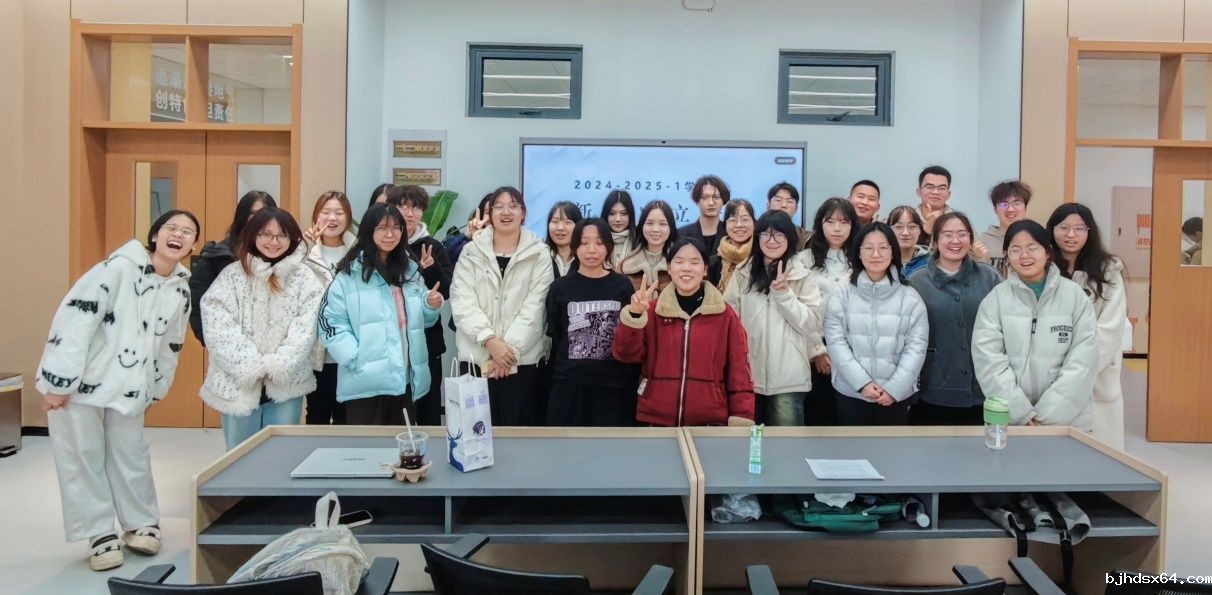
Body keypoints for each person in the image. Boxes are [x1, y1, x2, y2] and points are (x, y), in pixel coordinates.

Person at [37, 210, 197, 571]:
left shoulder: (180, 289)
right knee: (83, 457)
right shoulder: (115, 270)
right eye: (172, 228)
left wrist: (156, 389)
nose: (178, 235)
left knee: (131, 454)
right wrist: (59, 382)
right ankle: (98, 533)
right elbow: (74, 321)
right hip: (81, 386)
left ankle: (141, 522)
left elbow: (171, 345)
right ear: (155, 235)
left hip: (129, 390)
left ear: (193, 245)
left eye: (188, 232)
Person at [200, 208, 324, 450]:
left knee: (281, 453)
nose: (273, 241)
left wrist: (279, 364)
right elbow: (218, 324)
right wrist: (250, 365)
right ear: (253, 235)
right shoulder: (233, 275)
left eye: (282, 235)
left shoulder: (304, 277)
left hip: (286, 383)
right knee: (239, 455)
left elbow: (307, 328)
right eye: (266, 234)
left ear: (292, 238)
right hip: (239, 382)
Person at [320, 204, 443, 425]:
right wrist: (354, 358)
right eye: (382, 228)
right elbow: (330, 322)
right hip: (366, 383)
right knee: (368, 445)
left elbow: (423, 321)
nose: (390, 234)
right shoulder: (350, 274)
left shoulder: (410, 271)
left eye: (396, 228)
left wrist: (429, 305)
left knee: (403, 444)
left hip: (405, 381)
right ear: (369, 230)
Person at [613, 238, 755, 426]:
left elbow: (739, 371)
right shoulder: (652, 310)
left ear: (705, 270)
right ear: (669, 268)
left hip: (709, 423)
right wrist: (635, 315)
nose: (686, 268)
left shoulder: (725, 315)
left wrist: (742, 415)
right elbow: (625, 355)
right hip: (655, 420)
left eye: (694, 263)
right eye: (679, 262)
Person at [972, 220, 1098, 429]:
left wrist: (1047, 416)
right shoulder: (995, 300)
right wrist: (1020, 413)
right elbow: (988, 361)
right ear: (1007, 256)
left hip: (1067, 420)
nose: (1024, 256)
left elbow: (1083, 362)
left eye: (1032, 248)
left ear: (1047, 252)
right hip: (1012, 420)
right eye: (1015, 250)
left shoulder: (1075, 296)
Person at [450, 186, 555, 426]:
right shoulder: (471, 252)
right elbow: (462, 301)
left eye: (513, 206)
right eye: (499, 206)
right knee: (476, 435)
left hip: (522, 363)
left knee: (519, 437)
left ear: (523, 213)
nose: (506, 212)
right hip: (476, 361)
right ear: (490, 213)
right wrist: (489, 341)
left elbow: (536, 307)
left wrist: (506, 355)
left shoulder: (539, 254)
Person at [723, 211, 823, 426]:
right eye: (765, 234)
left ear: (789, 238)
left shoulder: (802, 275)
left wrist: (784, 295)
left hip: (789, 378)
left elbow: (812, 323)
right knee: (751, 441)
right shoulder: (743, 273)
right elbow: (729, 319)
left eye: (779, 234)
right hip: (749, 375)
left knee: (787, 442)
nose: (771, 240)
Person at [825, 222, 929, 426]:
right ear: (858, 253)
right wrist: (861, 384)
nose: (875, 254)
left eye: (883, 247)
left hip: (896, 396)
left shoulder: (910, 297)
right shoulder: (841, 294)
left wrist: (894, 389)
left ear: (893, 252)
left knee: (892, 446)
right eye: (868, 248)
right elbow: (836, 342)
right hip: (851, 392)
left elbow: (916, 348)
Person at [907, 212, 1001, 425]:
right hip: (933, 389)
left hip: (984, 389)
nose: (955, 241)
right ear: (935, 242)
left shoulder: (989, 276)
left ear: (971, 239)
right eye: (947, 235)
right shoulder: (917, 281)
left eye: (962, 234)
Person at [545, 218, 640, 426]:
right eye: (584, 242)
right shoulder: (560, 288)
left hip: (613, 387)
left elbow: (628, 336)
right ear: (574, 246)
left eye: (599, 242)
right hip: (570, 385)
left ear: (608, 246)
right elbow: (556, 336)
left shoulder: (622, 285)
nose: (591, 250)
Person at [1049, 203, 1127, 448]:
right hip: (1051, 370)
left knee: (1098, 447)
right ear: (1052, 230)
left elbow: (1110, 328)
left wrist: (1080, 369)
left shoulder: (1108, 270)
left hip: (1096, 371)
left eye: (1079, 229)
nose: (1071, 235)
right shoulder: (1044, 268)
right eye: (1064, 228)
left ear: (1089, 231)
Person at [388, 185, 454, 426]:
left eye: (415, 207)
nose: (409, 212)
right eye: (402, 206)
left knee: (429, 413)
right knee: (396, 414)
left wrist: (430, 269)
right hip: (393, 344)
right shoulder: (385, 244)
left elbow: (445, 290)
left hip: (428, 341)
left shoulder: (432, 245)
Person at [189, 190, 276, 346]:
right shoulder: (218, 255)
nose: (258, 219)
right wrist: (215, 343)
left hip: (272, 348)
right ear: (242, 217)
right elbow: (197, 305)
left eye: (263, 213)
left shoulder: (280, 255)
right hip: (228, 348)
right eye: (252, 214)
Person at [301, 191, 357, 425]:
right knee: (317, 416)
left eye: (339, 213)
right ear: (316, 216)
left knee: (349, 418)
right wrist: (303, 249)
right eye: (326, 212)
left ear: (348, 217)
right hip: (317, 353)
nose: (332, 218)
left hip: (351, 351)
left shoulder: (360, 252)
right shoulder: (303, 252)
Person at [803, 198, 860, 425]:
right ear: (820, 224)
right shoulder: (804, 260)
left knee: (849, 416)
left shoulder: (861, 259)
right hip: (817, 348)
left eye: (844, 222)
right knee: (819, 414)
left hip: (854, 348)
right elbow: (798, 309)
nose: (837, 229)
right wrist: (816, 350)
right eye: (830, 222)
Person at [618, 200, 678, 292]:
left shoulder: (679, 264)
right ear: (642, 226)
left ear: (671, 227)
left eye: (662, 224)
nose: (655, 229)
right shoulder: (625, 266)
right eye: (649, 223)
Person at [977, 181, 1032, 277]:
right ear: (995, 209)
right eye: (1003, 204)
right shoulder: (982, 242)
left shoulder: (1036, 239)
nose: (1010, 209)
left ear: (1025, 208)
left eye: (1017, 203)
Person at [709, 199, 755, 291]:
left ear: (754, 223)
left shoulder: (763, 259)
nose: (739, 225)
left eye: (745, 219)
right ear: (725, 225)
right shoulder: (713, 263)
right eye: (733, 220)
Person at [677, 175, 730, 255]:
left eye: (716, 197)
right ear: (697, 200)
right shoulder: (681, 234)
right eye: (704, 197)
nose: (711, 203)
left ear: (723, 200)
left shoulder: (730, 233)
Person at [443, 192, 494, 270]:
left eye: (496, 211)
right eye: (488, 212)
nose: (493, 216)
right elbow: (447, 257)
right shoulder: (470, 240)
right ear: (481, 216)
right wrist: (467, 236)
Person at [887, 205, 930, 278]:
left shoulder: (931, 261)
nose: (905, 233)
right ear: (888, 230)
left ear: (919, 230)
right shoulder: (880, 260)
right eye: (898, 227)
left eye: (912, 226)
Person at [915, 165, 953, 243]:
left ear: (949, 194)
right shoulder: (907, 218)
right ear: (919, 192)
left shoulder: (959, 221)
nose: (935, 192)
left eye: (941, 188)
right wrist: (926, 231)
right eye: (929, 187)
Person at [545, 201, 583, 278]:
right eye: (555, 222)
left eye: (567, 222)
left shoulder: (585, 258)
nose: (560, 228)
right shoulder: (541, 255)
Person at [601, 190, 637, 269]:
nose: (618, 219)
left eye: (623, 213)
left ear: (630, 215)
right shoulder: (598, 242)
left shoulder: (639, 242)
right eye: (612, 213)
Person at [766, 182, 807, 247]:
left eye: (789, 201)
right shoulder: (756, 232)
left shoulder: (806, 238)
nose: (784, 205)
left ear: (796, 208)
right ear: (768, 205)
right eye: (778, 200)